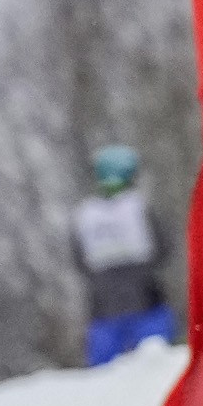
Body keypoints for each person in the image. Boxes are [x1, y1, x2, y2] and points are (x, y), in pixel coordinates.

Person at [73, 144, 174, 366]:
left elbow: (79, 261)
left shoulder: (85, 214)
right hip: (146, 301)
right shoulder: (140, 207)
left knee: (104, 373)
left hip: (103, 308)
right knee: (158, 365)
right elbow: (164, 248)